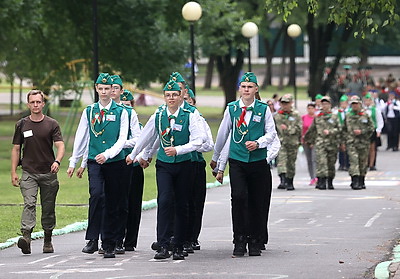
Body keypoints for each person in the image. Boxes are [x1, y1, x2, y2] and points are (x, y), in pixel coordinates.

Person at [126, 80, 203, 261]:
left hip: (184, 163)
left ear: (180, 96)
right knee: (165, 200)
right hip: (165, 165)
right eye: (168, 95)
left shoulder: (190, 114)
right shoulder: (159, 115)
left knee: (182, 204)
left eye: (175, 95)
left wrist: (179, 149)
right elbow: (147, 137)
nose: (171, 98)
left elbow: (198, 140)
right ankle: (163, 244)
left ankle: (179, 245)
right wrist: (135, 154)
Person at [210, 72, 277, 257]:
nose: (246, 90)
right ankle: (239, 239)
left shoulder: (263, 109)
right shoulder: (232, 108)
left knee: (257, 201)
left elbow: (271, 134)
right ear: (240, 89)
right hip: (238, 160)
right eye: (244, 86)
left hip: (258, 161)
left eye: (250, 87)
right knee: (238, 197)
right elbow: (223, 134)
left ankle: (255, 240)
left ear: (256, 89)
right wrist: (216, 158)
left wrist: (259, 143)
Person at [67, 73, 129, 258]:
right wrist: (74, 161)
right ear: (96, 89)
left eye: (107, 89)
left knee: (112, 200)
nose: (103, 92)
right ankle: (92, 238)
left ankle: (109, 243)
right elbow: (82, 136)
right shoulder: (89, 111)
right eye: (100, 89)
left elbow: (122, 139)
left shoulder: (121, 112)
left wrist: (108, 154)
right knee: (96, 195)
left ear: (112, 90)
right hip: (94, 161)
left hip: (114, 161)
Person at [11, 89, 65, 254]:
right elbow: (16, 149)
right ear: (28, 104)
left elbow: (60, 145)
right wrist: (13, 172)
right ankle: (26, 237)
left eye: (38, 102)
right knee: (29, 203)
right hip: (29, 172)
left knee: (48, 208)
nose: (35, 105)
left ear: (43, 104)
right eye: (32, 102)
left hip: (48, 172)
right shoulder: (21, 124)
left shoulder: (51, 124)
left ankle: (47, 239)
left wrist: (57, 161)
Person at [304, 96, 340, 190]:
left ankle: (330, 181)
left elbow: (340, 129)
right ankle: (321, 181)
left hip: (332, 143)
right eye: (323, 104)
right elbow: (312, 130)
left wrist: (331, 132)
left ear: (330, 105)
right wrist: (307, 139)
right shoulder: (318, 117)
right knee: (321, 162)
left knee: (331, 163)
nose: (324, 106)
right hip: (320, 143)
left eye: (326, 104)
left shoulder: (334, 117)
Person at [344, 95, 375, 190]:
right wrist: (344, 140)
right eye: (353, 104)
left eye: (356, 104)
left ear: (360, 104)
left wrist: (362, 131)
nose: (354, 106)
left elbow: (371, 128)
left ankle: (362, 180)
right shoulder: (348, 116)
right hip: (352, 142)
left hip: (363, 142)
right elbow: (344, 129)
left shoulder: (365, 115)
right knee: (354, 161)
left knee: (362, 162)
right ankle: (355, 180)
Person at [274, 94, 302, 191]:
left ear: (291, 103)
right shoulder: (277, 116)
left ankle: (290, 181)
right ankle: (282, 179)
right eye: (283, 103)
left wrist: (288, 129)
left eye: (287, 103)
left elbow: (299, 128)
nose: (285, 105)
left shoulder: (296, 115)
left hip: (292, 142)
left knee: (291, 163)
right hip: (281, 142)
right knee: (281, 161)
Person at [363, 92, 384, 171]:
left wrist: (379, 130)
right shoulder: (363, 110)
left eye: (369, 100)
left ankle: (372, 164)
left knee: (372, 148)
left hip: (372, 130)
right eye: (366, 101)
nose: (367, 102)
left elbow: (379, 120)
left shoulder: (375, 110)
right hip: (364, 131)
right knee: (365, 148)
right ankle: (365, 163)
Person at [301, 102, 317, 186]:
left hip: (314, 142)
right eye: (309, 108)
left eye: (312, 108)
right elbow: (302, 129)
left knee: (315, 159)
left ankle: (316, 176)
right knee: (309, 160)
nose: (310, 110)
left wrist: (313, 141)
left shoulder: (317, 118)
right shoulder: (303, 117)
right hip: (305, 141)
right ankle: (312, 177)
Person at [336, 95, 350, 171]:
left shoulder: (350, 111)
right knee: (341, 147)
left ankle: (348, 164)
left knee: (348, 147)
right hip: (340, 132)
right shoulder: (337, 112)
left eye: (345, 103)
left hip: (348, 132)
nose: (343, 105)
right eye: (342, 103)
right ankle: (341, 164)